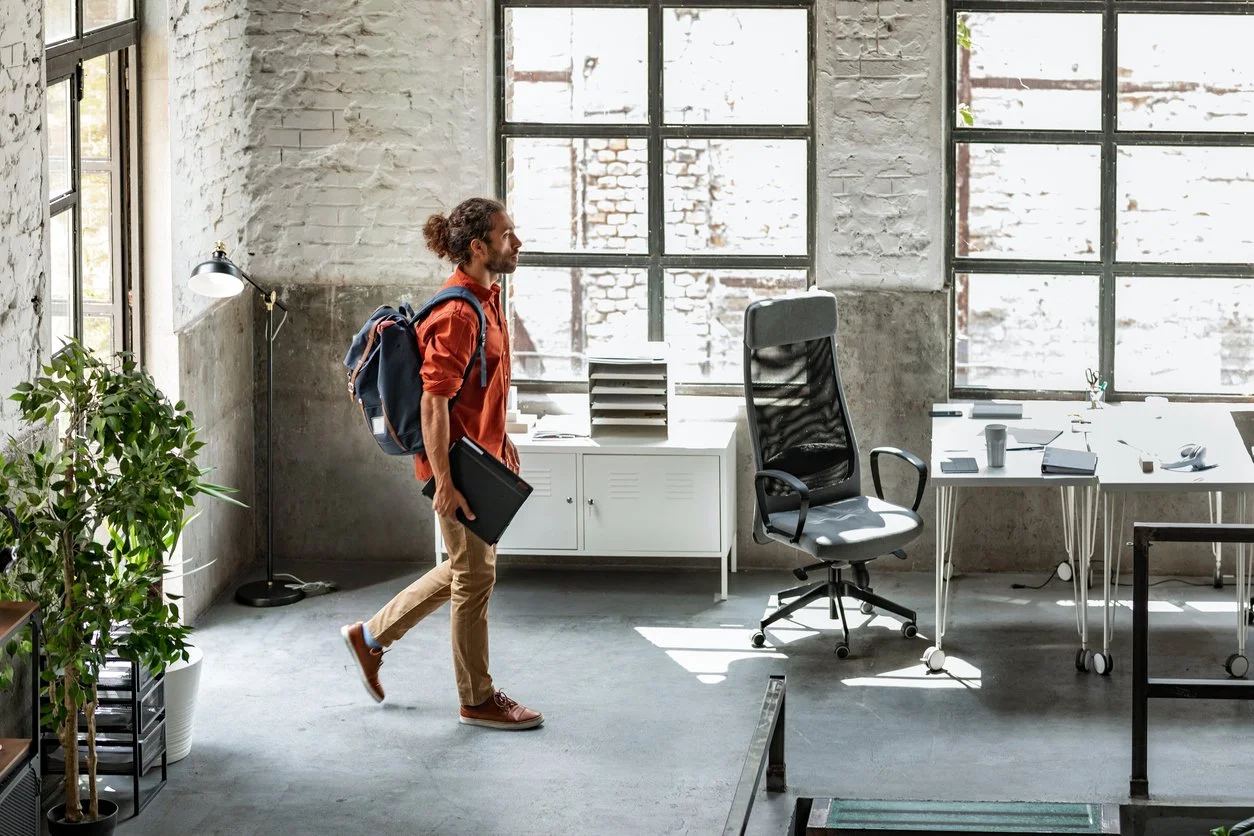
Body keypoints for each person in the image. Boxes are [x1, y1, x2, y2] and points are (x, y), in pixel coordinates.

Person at [341, 197, 542, 731]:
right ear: (479, 247)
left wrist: (502, 444)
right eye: (506, 235)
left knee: (465, 570)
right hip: (455, 468)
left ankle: (370, 637)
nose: (516, 242)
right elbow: (434, 404)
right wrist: (446, 486)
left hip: (482, 458)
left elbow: (485, 389)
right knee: (475, 578)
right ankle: (476, 698)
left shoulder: (487, 297)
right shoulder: (456, 313)